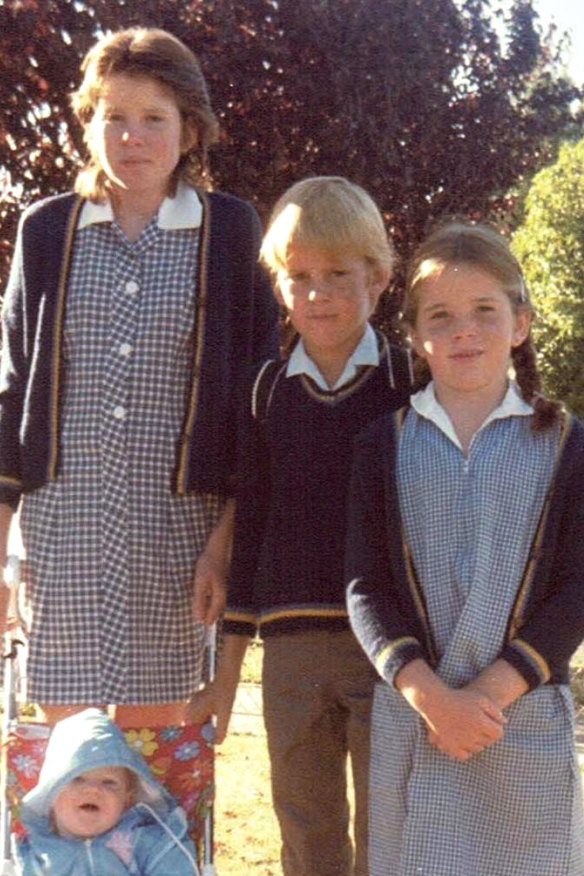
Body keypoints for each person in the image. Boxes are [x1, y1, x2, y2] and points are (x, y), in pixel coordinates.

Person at [0, 28, 278, 730]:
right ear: (89, 125)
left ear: (190, 129)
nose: (133, 136)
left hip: (182, 533)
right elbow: (11, 386)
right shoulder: (47, 231)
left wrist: (228, 537)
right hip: (64, 527)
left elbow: (259, 400)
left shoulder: (232, 233)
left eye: (155, 117)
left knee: (160, 761)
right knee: (72, 769)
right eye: (113, 116)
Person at [188, 176, 413, 876]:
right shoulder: (264, 390)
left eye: (338, 275)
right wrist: (225, 679)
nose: (317, 294)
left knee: (392, 830)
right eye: (299, 277)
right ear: (278, 284)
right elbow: (249, 528)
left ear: (378, 278)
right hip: (288, 654)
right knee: (307, 829)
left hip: (392, 654)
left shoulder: (409, 382)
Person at [346, 220, 584, 876]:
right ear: (416, 336)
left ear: (521, 323)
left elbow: (576, 588)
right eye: (441, 315)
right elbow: (365, 587)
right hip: (417, 721)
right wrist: (432, 699)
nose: (464, 331)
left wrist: (487, 697)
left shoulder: (567, 445)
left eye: (485, 311)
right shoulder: (383, 444)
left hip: (520, 721)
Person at [14, 708, 200, 875]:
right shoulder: (36, 852)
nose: (93, 790)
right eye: (77, 779)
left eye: (109, 783)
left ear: (127, 799)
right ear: (51, 793)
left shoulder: (152, 845)